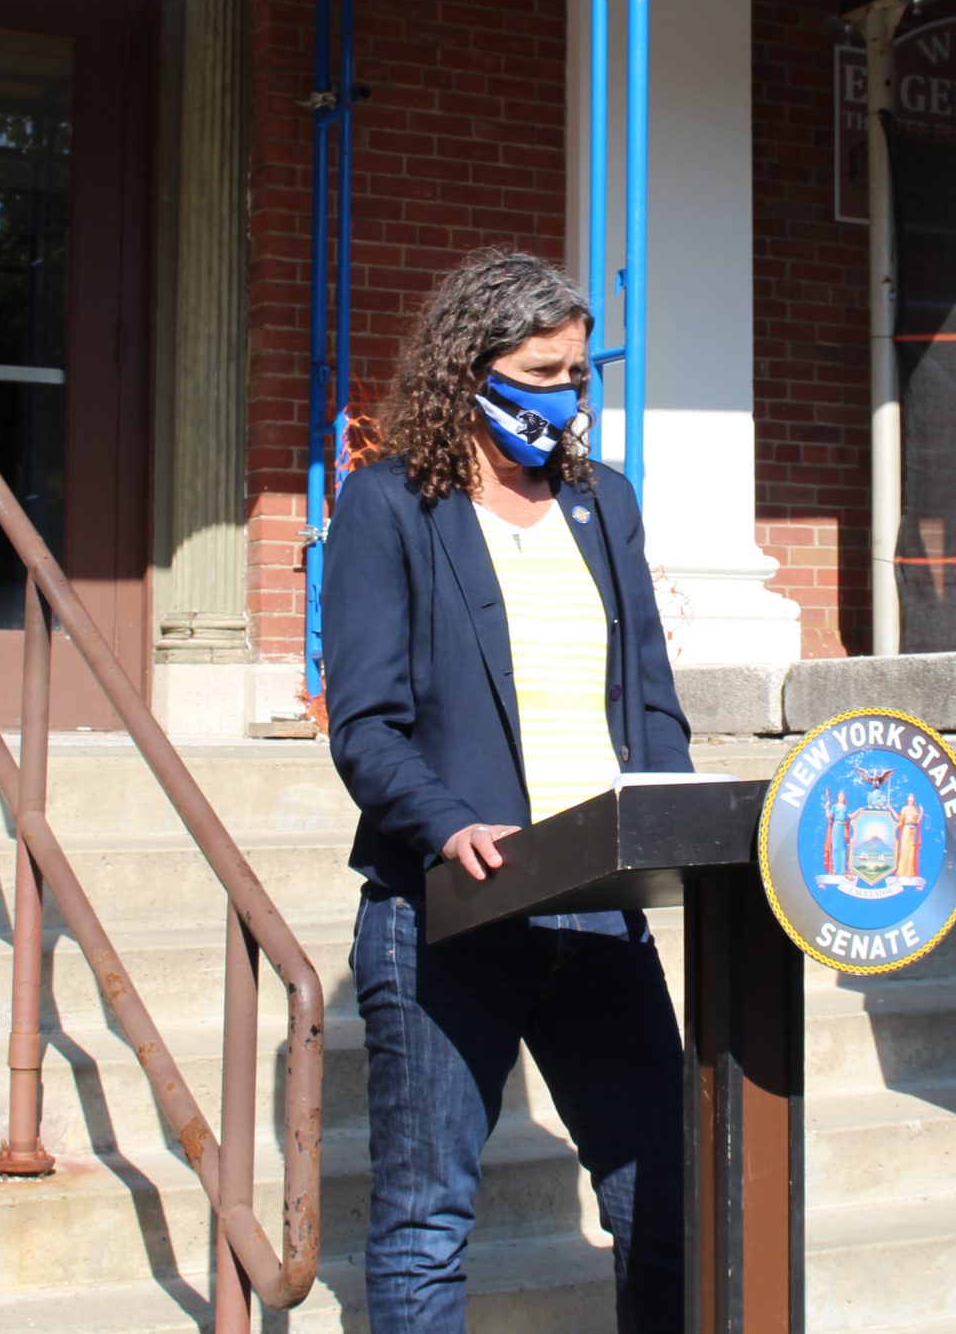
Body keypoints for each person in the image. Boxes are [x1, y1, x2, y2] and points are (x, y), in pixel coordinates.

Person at [321, 247, 689, 1334]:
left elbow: (648, 699)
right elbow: (366, 724)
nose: (561, 397)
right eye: (537, 373)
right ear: (466, 369)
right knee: (427, 1224)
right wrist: (445, 824)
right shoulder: (389, 506)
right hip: (451, 910)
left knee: (663, 1193)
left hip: (599, 907)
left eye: (577, 375)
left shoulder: (600, 503)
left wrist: (671, 814)